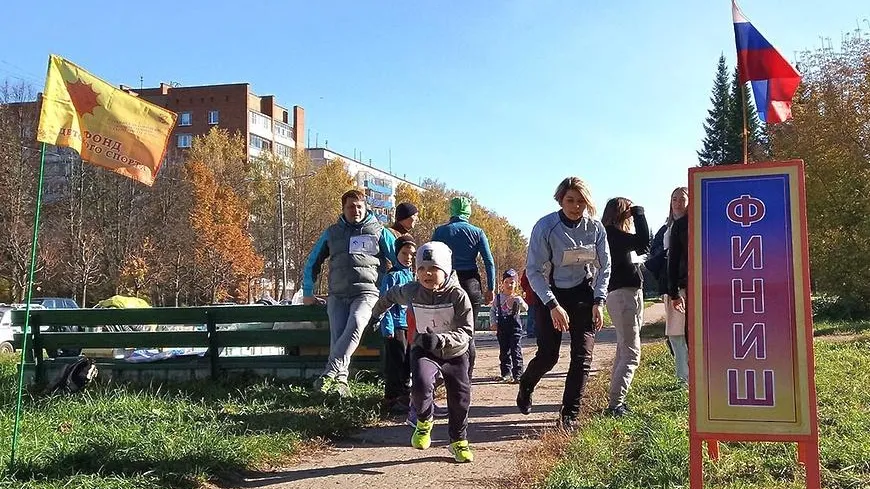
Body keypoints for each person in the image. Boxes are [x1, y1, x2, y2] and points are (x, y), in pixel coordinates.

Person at [516, 177, 611, 431]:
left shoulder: (596, 229)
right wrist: (552, 305)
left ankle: (569, 416)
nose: (575, 206)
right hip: (550, 294)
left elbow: (605, 267)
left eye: (581, 201)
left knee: (583, 358)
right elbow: (534, 271)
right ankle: (526, 383)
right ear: (560, 199)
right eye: (570, 200)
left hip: (583, 294)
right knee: (549, 356)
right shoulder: (546, 226)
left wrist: (599, 300)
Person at [367, 241, 475, 463]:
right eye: (422, 269)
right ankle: (424, 422)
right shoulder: (412, 290)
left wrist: (441, 339)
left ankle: (458, 441)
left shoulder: (458, 295)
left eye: (434, 268)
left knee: (460, 398)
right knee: (421, 384)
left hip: (455, 352)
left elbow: (467, 331)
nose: (427, 274)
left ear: (445, 270)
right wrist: (375, 315)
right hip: (423, 348)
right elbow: (389, 297)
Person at [302, 189, 397, 397]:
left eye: (359, 206)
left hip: (367, 293)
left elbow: (399, 260)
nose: (355, 210)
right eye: (350, 206)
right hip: (337, 294)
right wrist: (307, 291)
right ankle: (341, 382)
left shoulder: (380, 231)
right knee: (338, 336)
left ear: (366, 208)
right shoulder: (332, 232)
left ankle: (329, 373)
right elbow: (312, 262)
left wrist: (394, 291)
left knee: (356, 323)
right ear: (343, 209)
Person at [432, 196, 496, 378]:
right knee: (468, 332)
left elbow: (431, 257)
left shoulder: (440, 232)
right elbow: (489, 262)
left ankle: (444, 373)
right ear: (468, 211)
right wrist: (490, 288)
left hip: (445, 283)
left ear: (451, 210)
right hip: (470, 284)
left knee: (444, 329)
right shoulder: (477, 232)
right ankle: (466, 375)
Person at [601, 197, 650, 417]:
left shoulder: (609, 235)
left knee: (624, 350)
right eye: (628, 212)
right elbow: (643, 243)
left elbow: (640, 248)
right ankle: (615, 405)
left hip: (625, 294)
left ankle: (617, 401)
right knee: (631, 353)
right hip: (623, 296)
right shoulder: (612, 234)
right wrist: (639, 213)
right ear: (623, 213)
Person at [378, 235, 417, 413]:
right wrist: (387, 327)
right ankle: (392, 398)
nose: (408, 257)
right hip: (395, 325)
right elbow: (385, 302)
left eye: (411, 254)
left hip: (410, 325)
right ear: (397, 253)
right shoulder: (392, 276)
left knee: (408, 361)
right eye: (404, 253)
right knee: (396, 362)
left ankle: (405, 395)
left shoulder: (413, 275)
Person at [666, 187, 690, 386]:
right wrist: (672, 290)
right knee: (676, 333)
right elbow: (670, 261)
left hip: (692, 284)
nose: (678, 203)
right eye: (675, 199)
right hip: (678, 286)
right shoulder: (674, 226)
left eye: (682, 199)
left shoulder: (694, 225)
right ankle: (684, 379)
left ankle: (689, 378)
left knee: (687, 334)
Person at [491, 269, 527, 383]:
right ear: (502, 283)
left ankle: (518, 374)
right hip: (502, 328)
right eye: (506, 282)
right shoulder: (498, 298)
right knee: (504, 351)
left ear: (516, 284)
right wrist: (493, 323)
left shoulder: (517, 298)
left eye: (512, 282)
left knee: (515, 350)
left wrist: (520, 302)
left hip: (515, 328)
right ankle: (506, 373)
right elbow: (492, 311)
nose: (509, 285)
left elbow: (526, 308)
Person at [520, 269, 539, 338]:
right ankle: (531, 331)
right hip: (532, 297)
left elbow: (523, 283)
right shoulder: (528, 270)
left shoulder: (528, 270)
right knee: (532, 315)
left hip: (534, 296)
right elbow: (523, 283)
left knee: (533, 315)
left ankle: (533, 331)